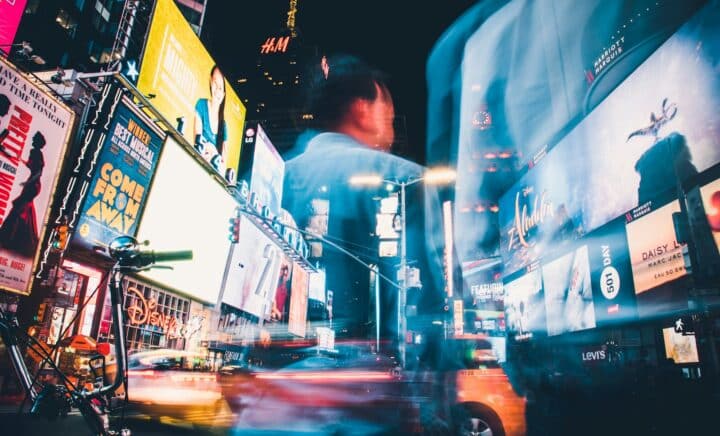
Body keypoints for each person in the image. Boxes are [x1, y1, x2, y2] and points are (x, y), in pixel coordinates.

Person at [283, 54, 431, 341]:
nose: (390, 121)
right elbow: (428, 288)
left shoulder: (276, 175)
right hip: (378, 370)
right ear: (363, 109)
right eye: (387, 109)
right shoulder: (407, 179)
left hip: (279, 361)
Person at [0, 131, 46, 257]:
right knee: (23, 209)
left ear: (37, 142)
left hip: (33, 185)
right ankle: (19, 239)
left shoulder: (35, 152)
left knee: (20, 209)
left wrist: (28, 183)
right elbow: (34, 168)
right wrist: (22, 161)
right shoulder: (36, 152)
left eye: (33, 139)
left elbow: (38, 172)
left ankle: (14, 239)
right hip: (33, 184)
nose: (31, 140)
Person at [194, 65, 229, 177]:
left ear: (223, 94)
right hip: (197, 165)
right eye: (215, 83)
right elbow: (197, 142)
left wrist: (211, 149)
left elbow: (223, 163)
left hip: (212, 176)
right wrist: (212, 150)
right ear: (210, 82)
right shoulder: (201, 105)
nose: (217, 90)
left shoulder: (223, 126)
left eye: (220, 88)